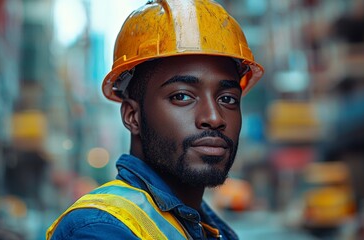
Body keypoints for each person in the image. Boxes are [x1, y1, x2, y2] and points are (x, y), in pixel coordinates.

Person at [46, 0, 263, 239]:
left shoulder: (211, 228)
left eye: (228, 99)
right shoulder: (99, 229)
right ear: (132, 116)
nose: (214, 117)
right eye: (182, 96)